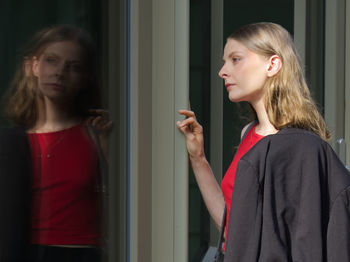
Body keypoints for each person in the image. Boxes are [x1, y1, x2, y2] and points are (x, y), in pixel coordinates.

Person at [177, 22, 350, 261]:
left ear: (273, 64)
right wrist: (198, 158)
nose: (222, 71)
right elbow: (234, 228)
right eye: (225, 61)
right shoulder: (249, 134)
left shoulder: (300, 149)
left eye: (235, 59)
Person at [0, 25, 111, 262]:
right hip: (27, 253)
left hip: (81, 254)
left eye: (73, 67)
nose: (59, 72)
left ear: (85, 78)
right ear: (32, 67)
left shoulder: (95, 135)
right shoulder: (14, 143)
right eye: (52, 61)